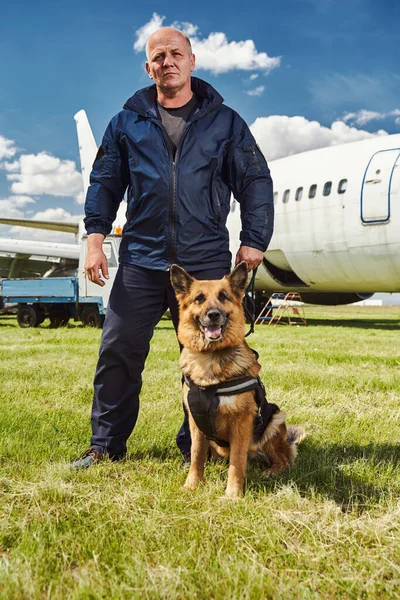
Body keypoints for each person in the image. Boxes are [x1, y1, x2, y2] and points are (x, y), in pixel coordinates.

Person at [72, 27, 274, 468]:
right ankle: (105, 445)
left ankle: (196, 448)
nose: (168, 62)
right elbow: (104, 185)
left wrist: (255, 240)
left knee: (210, 356)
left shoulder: (226, 122)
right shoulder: (126, 123)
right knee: (118, 350)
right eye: (158, 56)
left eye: (175, 54)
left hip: (204, 262)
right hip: (142, 260)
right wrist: (94, 242)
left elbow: (256, 180)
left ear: (192, 61)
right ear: (149, 68)